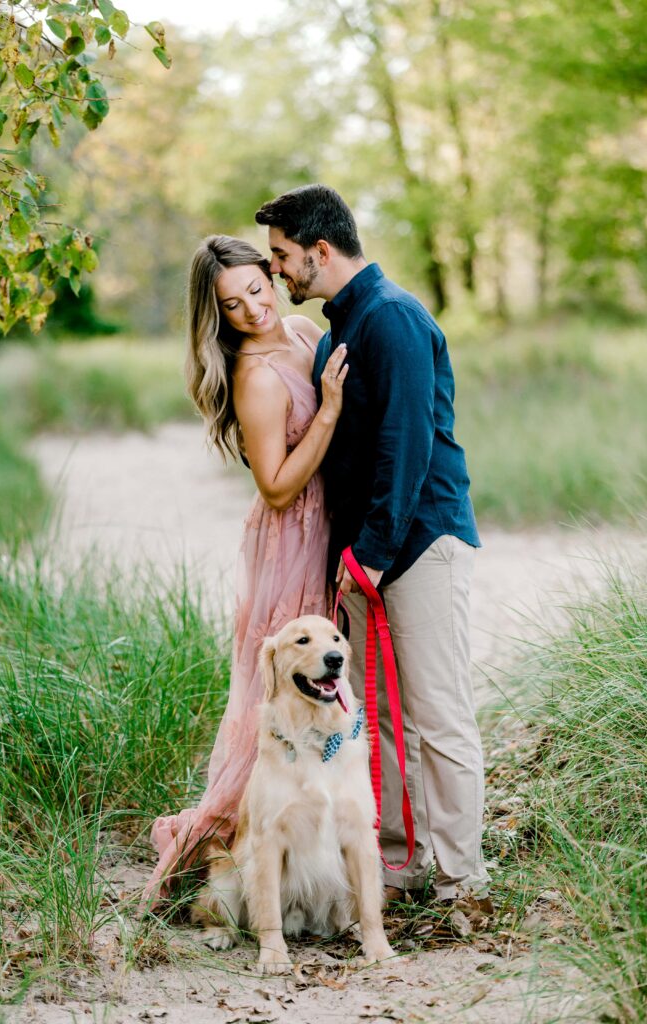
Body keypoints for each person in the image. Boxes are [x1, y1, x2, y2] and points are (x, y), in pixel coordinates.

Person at [255, 186, 492, 914]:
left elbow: (408, 442)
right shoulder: (337, 332)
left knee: (438, 715)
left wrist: (377, 552)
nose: (278, 272)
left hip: (419, 543)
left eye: (282, 257)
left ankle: (460, 879)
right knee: (382, 718)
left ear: (318, 251)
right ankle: (401, 864)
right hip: (367, 555)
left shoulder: (391, 317)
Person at [141, 235, 348, 909]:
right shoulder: (254, 375)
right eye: (232, 306)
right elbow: (280, 487)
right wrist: (330, 410)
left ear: (271, 274)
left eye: (257, 289)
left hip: (329, 522)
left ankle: (318, 846)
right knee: (272, 695)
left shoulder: (301, 327)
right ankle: (233, 841)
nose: (254, 310)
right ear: (218, 316)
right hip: (290, 535)